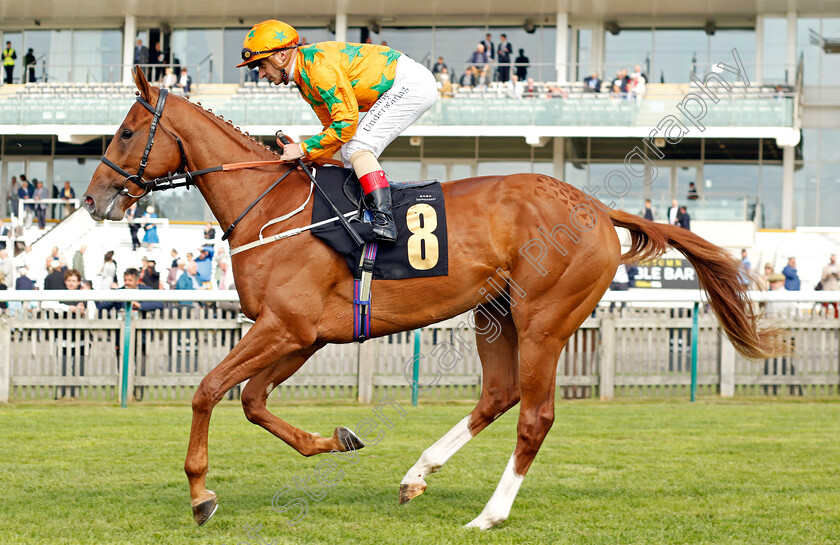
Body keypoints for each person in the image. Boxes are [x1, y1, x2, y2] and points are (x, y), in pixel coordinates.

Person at [237, 20, 437, 243]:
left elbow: (346, 124)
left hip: (410, 84)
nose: (261, 74)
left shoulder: (317, 68)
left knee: (358, 146)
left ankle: (384, 221)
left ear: (281, 56)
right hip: (404, 83)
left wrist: (302, 148)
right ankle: (364, 215)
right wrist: (306, 157)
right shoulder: (304, 77)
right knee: (349, 152)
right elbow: (332, 130)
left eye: (262, 65)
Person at [820, 254, 840, 318]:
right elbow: (823, 278)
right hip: (827, 287)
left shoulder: (838, 267)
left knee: (836, 304)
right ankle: (825, 316)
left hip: (835, 288)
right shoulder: (826, 267)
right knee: (825, 304)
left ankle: (836, 318)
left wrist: (836, 275)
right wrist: (827, 275)